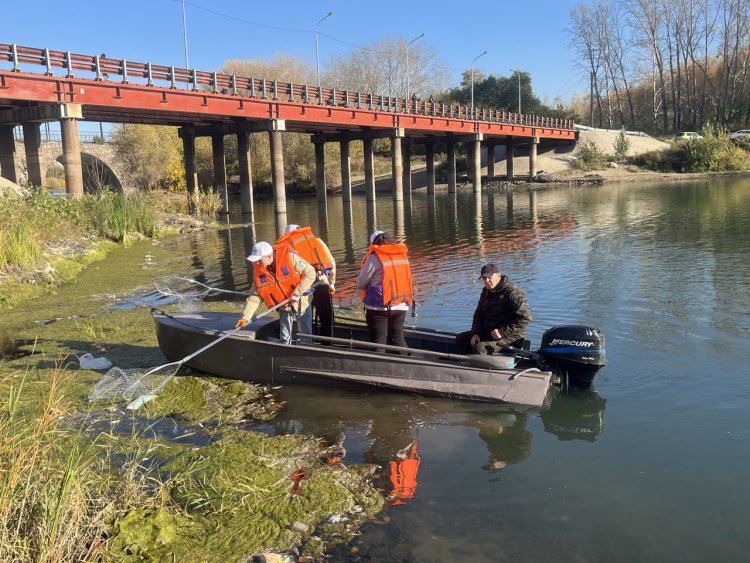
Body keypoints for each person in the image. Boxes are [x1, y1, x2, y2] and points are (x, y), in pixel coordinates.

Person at [234, 240, 316, 345]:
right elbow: (255, 296)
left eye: (259, 260)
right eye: (255, 260)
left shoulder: (291, 258)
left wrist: (296, 293)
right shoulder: (258, 272)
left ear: (269, 256)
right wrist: (245, 317)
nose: (257, 263)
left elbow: (310, 273)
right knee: (285, 336)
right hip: (283, 305)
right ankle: (284, 352)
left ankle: (307, 349)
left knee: (306, 333)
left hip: (301, 301)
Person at [456, 262, 532, 355]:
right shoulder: (486, 291)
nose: (487, 281)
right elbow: (478, 315)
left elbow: (525, 317)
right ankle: (467, 363)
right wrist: (475, 333)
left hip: (511, 337)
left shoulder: (512, 293)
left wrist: (503, 331)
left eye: (489, 277)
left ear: (498, 276)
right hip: (489, 333)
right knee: (461, 338)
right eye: (484, 278)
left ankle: (483, 367)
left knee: (481, 348)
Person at [356, 230, 414, 351]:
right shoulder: (402, 254)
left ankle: (378, 368)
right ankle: (407, 364)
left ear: (374, 243)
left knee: (378, 341)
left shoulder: (374, 257)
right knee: (397, 338)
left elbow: (361, 283)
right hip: (400, 305)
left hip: (379, 307)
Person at [276, 224, 336, 340]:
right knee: (326, 319)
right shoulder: (316, 241)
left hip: (305, 288)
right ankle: (328, 344)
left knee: (305, 320)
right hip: (322, 283)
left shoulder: (286, 247)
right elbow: (331, 262)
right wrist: (332, 283)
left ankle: (307, 343)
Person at [386, 441, 420, 505]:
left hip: (404, 464)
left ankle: (411, 445)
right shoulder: (408, 491)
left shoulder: (408, 491)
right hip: (404, 464)